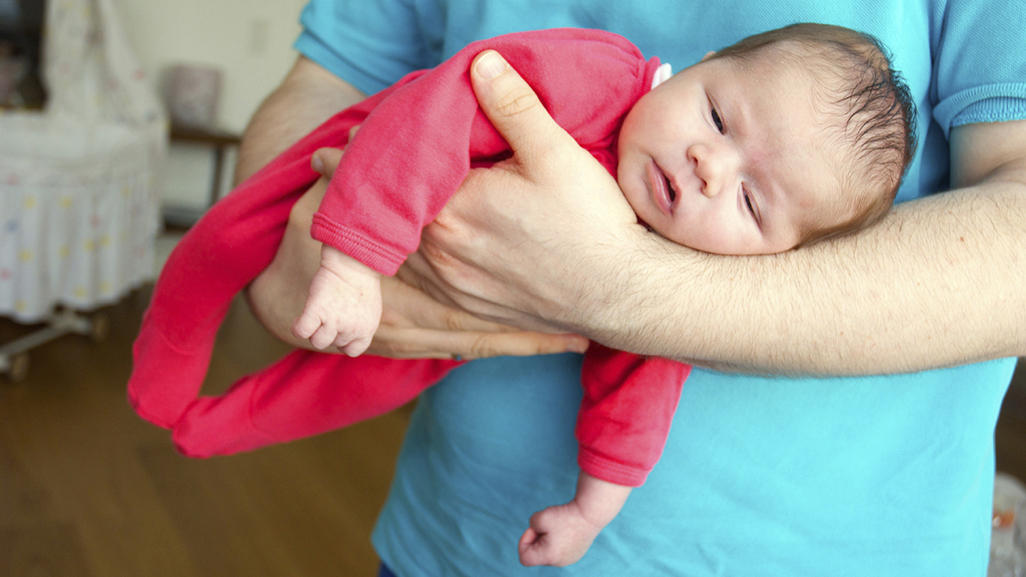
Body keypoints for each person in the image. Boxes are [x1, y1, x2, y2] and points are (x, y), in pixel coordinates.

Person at [240, 2, 1023, 575]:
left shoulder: (652, 330)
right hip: (449, 539)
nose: (708, 165)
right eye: (714, 113)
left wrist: (621, 290)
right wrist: (289, 261)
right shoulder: (607, 81)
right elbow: (332, 81)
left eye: (752, 202)